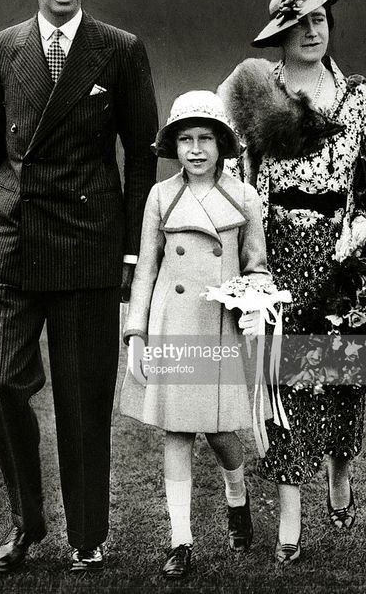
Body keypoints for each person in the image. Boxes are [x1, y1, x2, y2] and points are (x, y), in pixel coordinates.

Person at [0, 0, 158, 573]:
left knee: (82, 404)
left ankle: (87, 536)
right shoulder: (3, 49)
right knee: (1, 388)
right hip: (11, 249)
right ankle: (26, 523)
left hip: (88, 251)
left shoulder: (120, 51)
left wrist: (131, 253)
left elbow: (142, 161)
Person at [217, 0, 366, 563]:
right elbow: (231, 170)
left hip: (344, 256)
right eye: (300, 24)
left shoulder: (357, 98)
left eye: (320, 20)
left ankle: (341, 475)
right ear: (280, 34)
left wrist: (364, 227)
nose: (313, 31)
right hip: (274, 253)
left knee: (342, 377)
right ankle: (291, 511)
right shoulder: (254, 95)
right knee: (285, 382)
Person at [119, 91, 274, 578]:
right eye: (185, 139)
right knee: (178, 431)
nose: (196, 149)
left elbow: (258, 267)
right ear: (174, 146)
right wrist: (137, 335)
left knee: (223, 433)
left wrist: (255, 300)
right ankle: (180, 540)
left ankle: (237, 496)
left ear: (222, 143)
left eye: (205, 138)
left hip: (221, 328)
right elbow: (146, 270)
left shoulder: (244, 196)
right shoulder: (161, 196)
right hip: (173, 324)